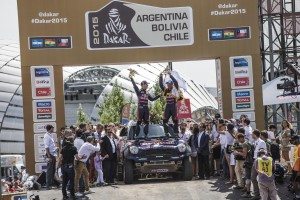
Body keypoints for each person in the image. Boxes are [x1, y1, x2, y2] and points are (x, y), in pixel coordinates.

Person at [57, 133, 84, 200]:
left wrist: (58, 166)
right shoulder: (73, 148)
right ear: (72, 141)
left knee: (64, 182)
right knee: (72, 181)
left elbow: (60, 158)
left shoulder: (63, 148)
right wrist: (82, 157)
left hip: (64, 167)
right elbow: (77, 158)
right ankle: (72, 195)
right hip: (70, 167)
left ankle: (64, 196)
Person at [251, 129, 267, 200]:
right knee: (253, 178)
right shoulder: (255, 142)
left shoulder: (262, 142)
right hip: (255, 161)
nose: (251, 135)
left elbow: (262, 153)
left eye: (252, 134)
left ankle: (264, 195)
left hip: (259, 162)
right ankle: (257, 194)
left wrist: (259, 163)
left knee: (262, 179)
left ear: (255, 134)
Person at [43, 124, 58, 190]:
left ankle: (51, 184)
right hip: (50, 155)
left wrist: (55, 149)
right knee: (49, 170)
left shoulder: (50, 135)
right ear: (50, 128)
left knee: (53, 170)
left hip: (53, 154)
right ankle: (48, 185)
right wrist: (49, 156)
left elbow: (51, 146)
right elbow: (46, 147)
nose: (53, 129)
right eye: (53, 128)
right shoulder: (46, 136)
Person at [291, 135, 300, 200]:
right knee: (295, 181)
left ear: (297, 139)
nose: (292, 141)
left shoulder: (299, 147)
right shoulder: (296, 147)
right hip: (295, 167)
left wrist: (299, 170)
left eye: (293, 140)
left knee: (297, 181)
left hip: (298, 169)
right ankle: (296, 193)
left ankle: (297, 195)